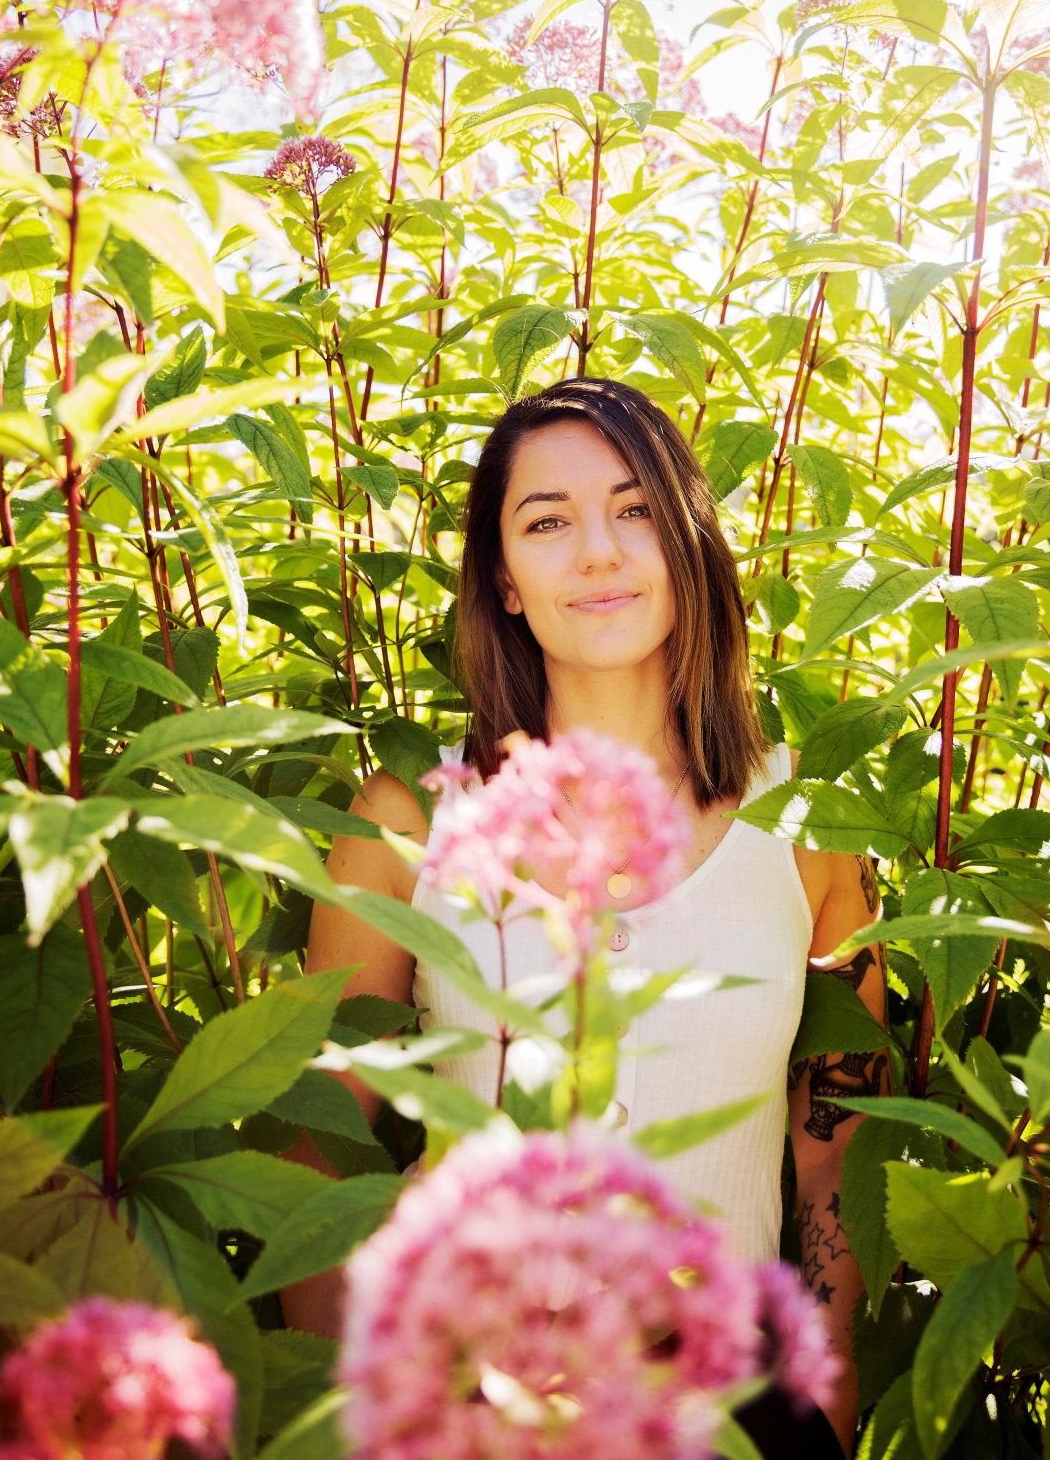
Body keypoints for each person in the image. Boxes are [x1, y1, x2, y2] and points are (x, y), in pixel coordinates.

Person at [285, 376, 888, 1457]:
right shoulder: (401, 825)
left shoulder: (804, 819)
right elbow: (317, 1146)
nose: (598, 551)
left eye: (635, 508)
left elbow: (831, 1143)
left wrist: (826, 1400)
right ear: (505, 582)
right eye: (546, 522)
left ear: (687, 545)